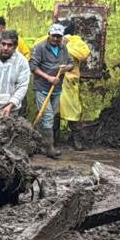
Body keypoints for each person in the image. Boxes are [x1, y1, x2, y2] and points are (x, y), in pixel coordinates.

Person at [29, 24, 74, 158]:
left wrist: (67, 68)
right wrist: (48, 77)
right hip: (42, 88)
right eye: (53, 35)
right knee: (47, 116)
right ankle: (49, 148)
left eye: (58, 36)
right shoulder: (40, 47)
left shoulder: (63, 48)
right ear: (49, 34)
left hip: (56, 89)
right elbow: (32, 66)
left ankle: (40, 143)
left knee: (50, 116)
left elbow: (71, 63)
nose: (55, 39)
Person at [55, 19, 92, 150]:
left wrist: (65, 45)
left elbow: (84, 54)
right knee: (55, 112)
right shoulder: (51, 39)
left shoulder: (77, 42)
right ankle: (54, 140)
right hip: (55, 81)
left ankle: (76, 140)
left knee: (73, 112)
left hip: (70, 83)